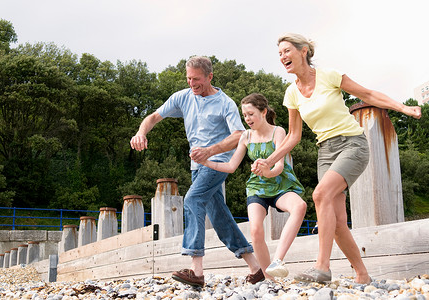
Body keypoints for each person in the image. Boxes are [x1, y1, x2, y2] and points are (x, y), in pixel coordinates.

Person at [252, 33, 422, 285]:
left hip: (352, 144)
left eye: (286, 51)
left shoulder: (329, 75)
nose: (282, 57)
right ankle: (362, 274)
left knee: (320, 195)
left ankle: (322, 267)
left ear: (303, 51)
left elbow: (368, 94)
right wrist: (269, 160)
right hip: (325, 152)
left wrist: (404, 108)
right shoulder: (292, 94)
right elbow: (293, 136)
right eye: (279, 54)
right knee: (338, 221)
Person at [130, 56, 264, 287]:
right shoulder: (182, 97)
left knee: (192, 200)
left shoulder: (225, 103)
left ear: (210, 76)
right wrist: (141, 132)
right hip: (197, 166)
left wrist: (210, 151)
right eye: (189, 78)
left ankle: (196, 271)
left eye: (197, 79)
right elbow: (153, 117)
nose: (192, 83)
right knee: (220, 217)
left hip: (218, 163)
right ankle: (255, 267)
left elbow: (238, 136)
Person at [200, 93, 307, 280]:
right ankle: (268, 278)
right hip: (257, 187)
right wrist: (206, 161)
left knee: (300, 206)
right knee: (256, 230)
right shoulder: (245, 136)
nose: (247, 119)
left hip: (281, 184)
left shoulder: (278, 132)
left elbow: (279, 166)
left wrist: (268, 172)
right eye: (245, 115)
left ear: (264, 112)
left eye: (251, 114)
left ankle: (278, 260)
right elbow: (231, 166)